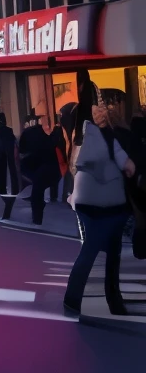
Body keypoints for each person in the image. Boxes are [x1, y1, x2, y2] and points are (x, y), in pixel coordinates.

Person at [62, 84, 137, 316]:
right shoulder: (110, 138)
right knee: (108, 254)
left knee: (91, 250)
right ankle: (109, 300)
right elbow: (129, 167)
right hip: (108, 205)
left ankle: (77, 300)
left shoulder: (83, 138)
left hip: (83, 202)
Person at [17, 111, 61, 226]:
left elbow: (22, 150)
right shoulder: (47, 133)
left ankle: (37, 218)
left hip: (35, 166)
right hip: (47, 165)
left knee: (37, 192)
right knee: (39, 190)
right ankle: (38, 213)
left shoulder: (28, 133)